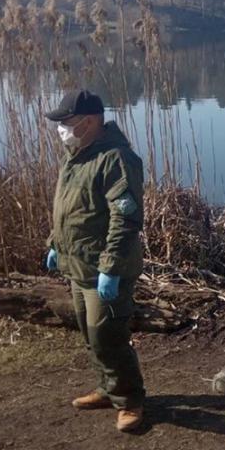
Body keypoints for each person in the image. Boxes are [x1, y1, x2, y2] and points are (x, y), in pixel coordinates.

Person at [45, 89, 146, 432]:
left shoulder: (117, 159)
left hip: (105, 267)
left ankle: (130, 401)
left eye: (65, 122)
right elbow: (69, 207)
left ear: (88, 122)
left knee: (108, 335)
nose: (60, 129)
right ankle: (108, 388)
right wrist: (55, 244)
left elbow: (126, 219)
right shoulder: (76, 154)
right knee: (90, 334)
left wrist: (111, 268)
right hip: (78, 263)